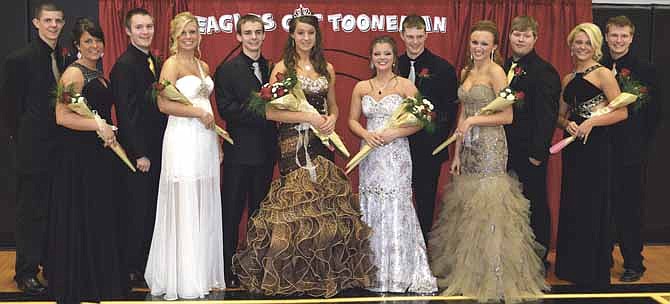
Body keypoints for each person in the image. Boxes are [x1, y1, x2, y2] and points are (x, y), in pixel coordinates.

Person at [232, 8, 375, 298]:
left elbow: (333, 105)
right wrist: (307, 118)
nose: (306, 37)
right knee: (296, 206)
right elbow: (270, 111)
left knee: (324, 205)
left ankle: (322, 275)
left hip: (322, 140)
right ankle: (292, 275)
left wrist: (332, 117)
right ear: (292, 36)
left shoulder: (327, 68)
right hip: (293, 143)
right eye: (301, 33)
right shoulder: (282, 68)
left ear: (316, 36)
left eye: (310, 33)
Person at [429, 20, 547, 303]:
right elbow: (462, 116)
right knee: (467, 208)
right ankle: (467, 271)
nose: (478, 48)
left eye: (484, 43)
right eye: (474, 42)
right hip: (468, 147)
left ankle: (492, 274)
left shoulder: (496, 73)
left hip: (491, 145)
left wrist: (475, 120)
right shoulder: (466, 71)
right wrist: (456, 152)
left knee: (490, 206)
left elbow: (507, 117)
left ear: (494, 47)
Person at [144, 11, 225, 300]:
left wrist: (216, 141)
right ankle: (182, 276)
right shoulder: (171, 64)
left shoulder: (202, 64)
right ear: (175, 37)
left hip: (204, 139)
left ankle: (202, 271)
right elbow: (163, 104)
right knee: (184, 200)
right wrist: (195, 113)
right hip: (182, 138)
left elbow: (209, 109)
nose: (189, 37)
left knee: (203, 198)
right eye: (184, 33)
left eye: (193, 32)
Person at [47, 17, 127, 303]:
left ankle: (98, 282)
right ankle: (82, 284)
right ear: (77, 45)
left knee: (97, 218)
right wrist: (98, 126)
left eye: (97, 40)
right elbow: (62, 115)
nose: (94, 46)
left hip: (98, 157)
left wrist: (109, 133)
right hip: (78, 159)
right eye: (88, 41)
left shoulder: (99, 72)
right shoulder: (74, 74)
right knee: (82, 218)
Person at [348, 35, 437, 294]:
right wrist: (366, 135)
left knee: (396, 204)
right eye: (377, 54)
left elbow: (421, 120)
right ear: (371, 57)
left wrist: (394, 134)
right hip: (370, 152)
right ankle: (372, 271)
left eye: (387, 54)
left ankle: (400, 271)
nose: (382, 58)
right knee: (371, 203)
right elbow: (353, 120)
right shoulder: (361, 87)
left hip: (396, 153)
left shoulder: (406, 86)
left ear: (393, 57)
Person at [555, 22, 628, 290]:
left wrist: (591, 123)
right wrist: (567, 125)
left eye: (587, 42)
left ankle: (590, 267)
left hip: (596, 147)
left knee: (592, 204)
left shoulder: (603, 75)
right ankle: (571, 264)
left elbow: (621, 112)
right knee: (573, 202)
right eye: (578, 42)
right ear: (571, 44)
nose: (582, 47)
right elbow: (559, 115)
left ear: (595, 46)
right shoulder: (567, 77)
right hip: (573, 146)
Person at [0, 2, 64, 295]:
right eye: (48, 20)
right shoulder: (19, 59)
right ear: (36, 23)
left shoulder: (61, 58)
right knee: (30, 213)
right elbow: (10, 111)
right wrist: (23, 146)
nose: (53, 25)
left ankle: (50, 265)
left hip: (58, 150)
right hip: (31, 152)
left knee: (53, 210)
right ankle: (25, 272)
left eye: (58, 21)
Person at [213, 14, 277, 289]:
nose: (253, 37)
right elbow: (227, 111)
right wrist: (264, 111)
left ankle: (254, 266)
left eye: (258, 32)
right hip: (239, 152)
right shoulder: (227, 70)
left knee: (259, 213)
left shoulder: (272, 67)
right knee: (231, 212)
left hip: (265, 153)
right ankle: (227, 267)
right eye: (248, 33)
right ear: (238, 37)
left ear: (264, 35)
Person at [110, 7, 167, 287]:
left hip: (157, 149)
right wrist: (140, 153)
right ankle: (132, 268)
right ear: (128, 31)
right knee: (137, 211)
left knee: (151, 210)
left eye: (149, 26)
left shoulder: (153, 61)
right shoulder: (124, 65)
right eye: (140, 27)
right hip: (139, 154)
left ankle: (145, 263)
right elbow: (126, 113)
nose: (146, 32)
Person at [601, 15, 657, 283]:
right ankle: (602, 256)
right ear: (606, 35)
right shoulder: (597, 65)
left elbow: (655, 112)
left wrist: (640, 143)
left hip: (630, 150)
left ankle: (634, 262)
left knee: (628, 208)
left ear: (632, 38)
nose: (618, 40)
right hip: (600, 147)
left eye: (624, 36)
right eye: (614, 35)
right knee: (602, 206)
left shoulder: (645, 69)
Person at [502, 16, 561, 270]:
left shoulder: (544, 71)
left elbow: (547, 117)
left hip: (529, 152)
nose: (521, 39)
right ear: (510, 36)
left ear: (535, 38)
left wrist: (538, 153)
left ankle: (539, 256)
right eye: (517, 34)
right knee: (510, 203)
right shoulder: (502, 65)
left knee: (534, 201)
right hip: (503, 150)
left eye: (526, 35)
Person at [397, 15, 458, 243]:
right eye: (410, 37)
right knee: (400, 198)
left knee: (425, 200)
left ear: (426, 36)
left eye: (419, 36)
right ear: (402, 36)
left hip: (428, 148)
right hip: (396, 145)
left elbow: (449, 112)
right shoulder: (392, 64)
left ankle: (422, 246)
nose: (414, 42)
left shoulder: (442, 68)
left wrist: (433, 139)